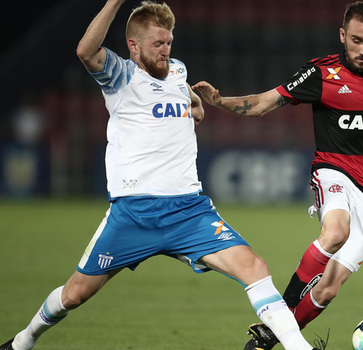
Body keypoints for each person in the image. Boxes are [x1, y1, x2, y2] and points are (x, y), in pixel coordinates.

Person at [0, 1, 324, 350]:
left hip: (189, 211)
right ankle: (22, 341)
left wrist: (197, 106)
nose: (165, 50)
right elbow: (85, 50)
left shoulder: (178, 72)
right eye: (157, 44)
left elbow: (189, 104)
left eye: (169, 42)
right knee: (75, 295)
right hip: (134, 214)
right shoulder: (120, 75)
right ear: (134, 46)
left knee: (255, 267)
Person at [192, 1, 363, 349]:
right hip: (333, 171)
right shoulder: (320, 74)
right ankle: (280, 311)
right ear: (343, 35)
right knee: (335, 232)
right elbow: (263, 103)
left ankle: (267, 339)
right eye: (356, 40)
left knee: (328, 289)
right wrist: (222, 102)